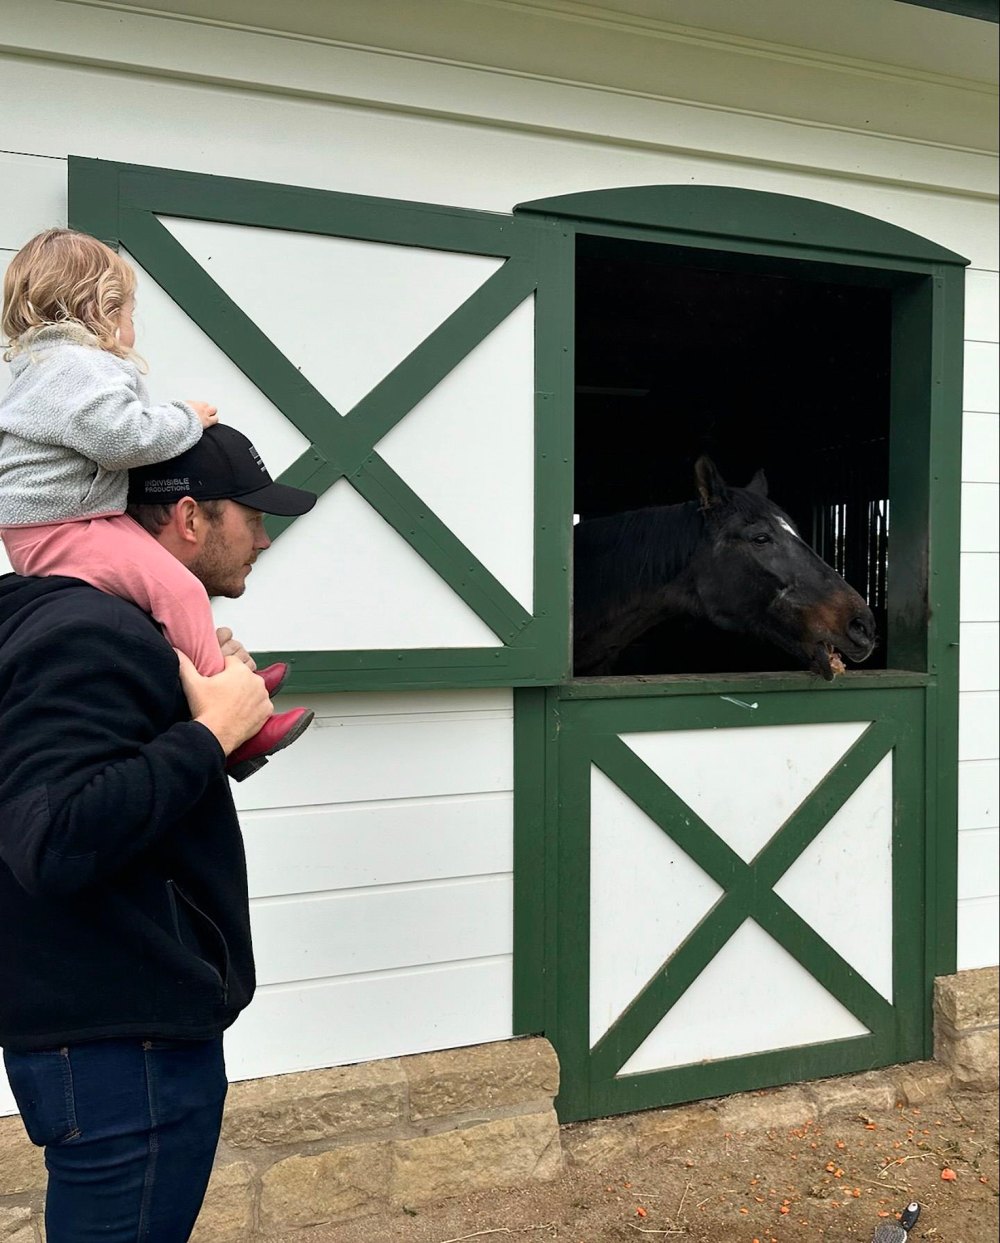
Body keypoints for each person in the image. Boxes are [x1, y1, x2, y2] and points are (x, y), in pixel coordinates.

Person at [0, 424, 317, 1241]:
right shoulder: (87, 631)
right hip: (122, 1047)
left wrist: (204, 725)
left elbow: (100, 786)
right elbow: (54, 834)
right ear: (189, 517)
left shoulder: (102, 626)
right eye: (252, 515)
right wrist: (209, 737)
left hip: (106, 1032)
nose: (266, 536)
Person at [0, 227, 312, 778]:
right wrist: (185, 417)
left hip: (64, 519)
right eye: (130, 311)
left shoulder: (49, 368)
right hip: (59, 527)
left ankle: (221, 685)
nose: (132, 326)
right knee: (179, 587)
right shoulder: (77, 367)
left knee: (164, 598)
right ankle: (231, 711)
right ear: (102, 306)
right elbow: (123, 440)